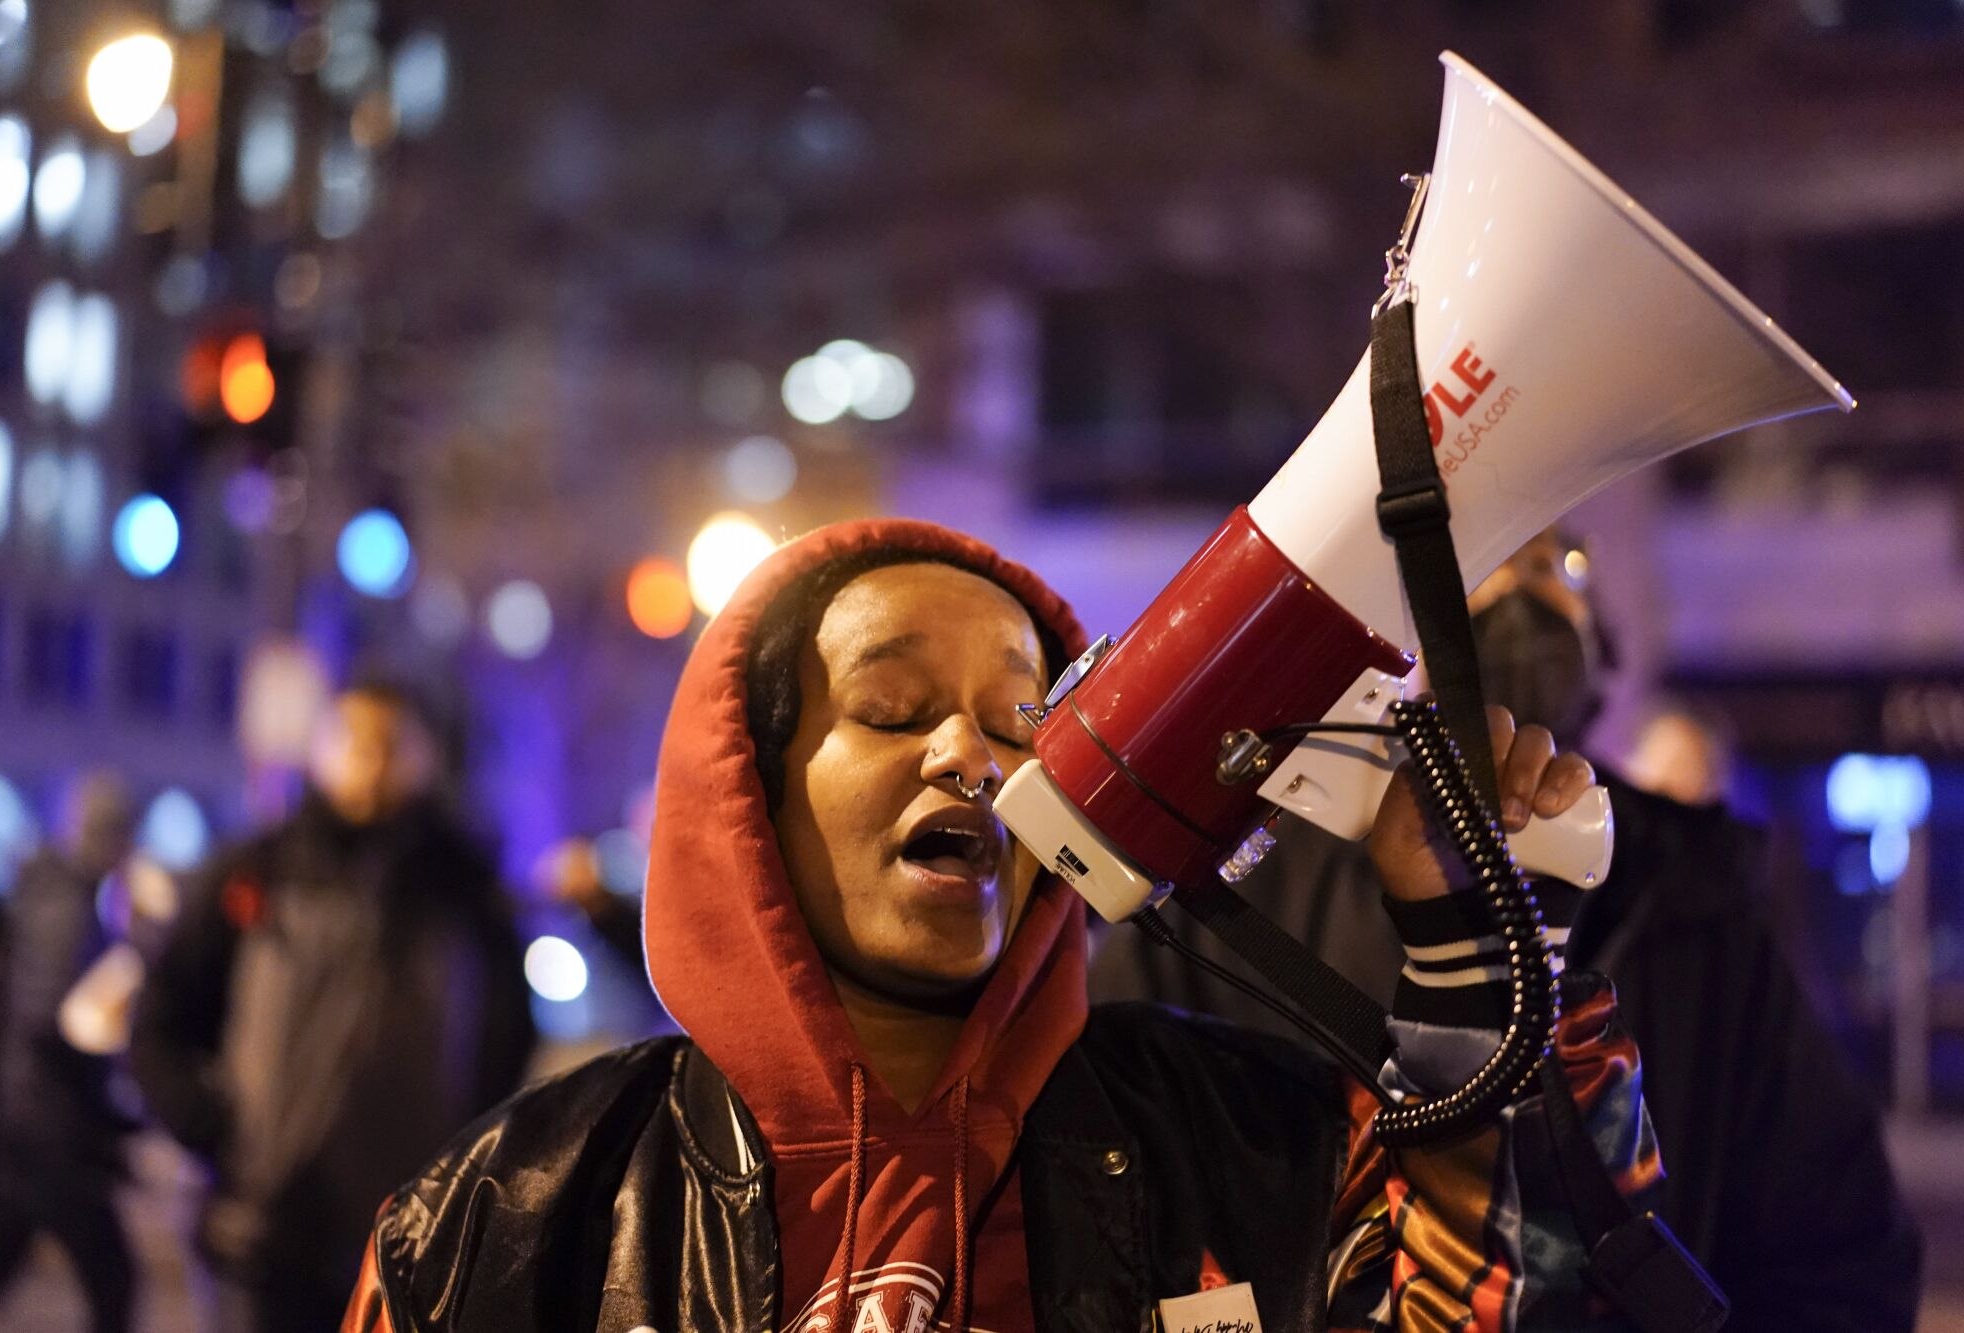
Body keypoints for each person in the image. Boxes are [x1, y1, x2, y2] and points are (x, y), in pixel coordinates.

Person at [340, 520, 1661, 1333]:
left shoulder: (1257, 1145)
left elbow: (1544, 1293)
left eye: (1024, 718)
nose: (970, 750)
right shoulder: (505, 1222)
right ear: (748, 793)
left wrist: (1465, 940)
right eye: (895, 707)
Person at [1092, 528, 1925, 1331]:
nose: (1525, 577)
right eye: (1489, 553)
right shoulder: (1260, 889)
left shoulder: (1695, 897)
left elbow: (1842, 1248)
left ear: (1604, 658)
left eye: (1562, 561)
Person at [132, 680, 535, 1333]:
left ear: (425, 754)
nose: (372, 760)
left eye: (392, 742)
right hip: (264, 1227)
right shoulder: (260, 870)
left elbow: (506, 1041)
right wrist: (217, 1127)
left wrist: (468, 1164)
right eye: (354, 738)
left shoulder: (463, 891)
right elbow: (161, 1015)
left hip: (412, 1233)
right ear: (321, 748)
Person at [0, 774, 139, 1333]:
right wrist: (102, 1097)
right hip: (50, 1122)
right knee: (111, 1275)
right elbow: (54, 1015)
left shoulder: (61, 896)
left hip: (36, 1116)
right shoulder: (65, 906)